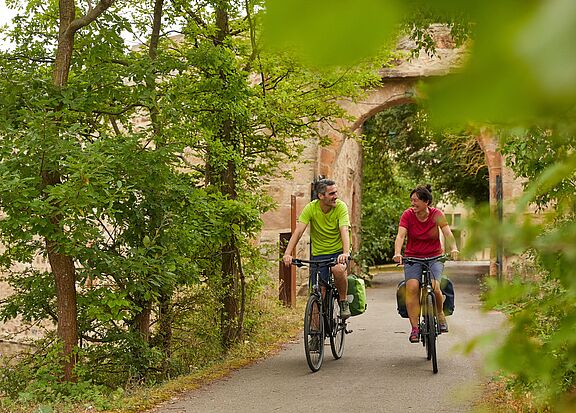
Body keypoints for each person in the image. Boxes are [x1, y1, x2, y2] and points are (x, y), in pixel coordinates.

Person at [392, 185, 459, 343]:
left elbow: (447, 232)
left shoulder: (437, 214)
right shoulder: (407, 215)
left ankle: (440, 315)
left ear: (426, 202)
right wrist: (397, 253)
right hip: (413, 257)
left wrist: (454, 248)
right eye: (411, 200)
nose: (412, 203)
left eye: (415, 200)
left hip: (434, 256)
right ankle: (415, 328)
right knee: (412, 287)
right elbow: (401, 236)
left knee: (435, 287)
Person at [282, 179, 351, 320]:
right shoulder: (311, 208)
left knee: (338, 270)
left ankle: (343, 301)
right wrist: (287, 253)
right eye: (332, 193)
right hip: (319, 254)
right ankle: (315, 334)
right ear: (321, 196)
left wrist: (345, 252)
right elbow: (298, 231)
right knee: (318, 293)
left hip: (338, 253)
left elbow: (344, 230)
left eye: (336, 192)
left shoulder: (340, 207)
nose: (336, 196)